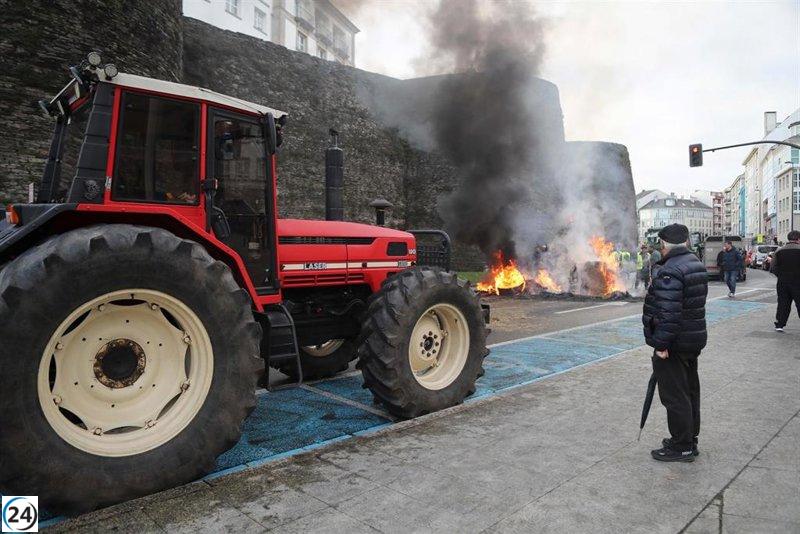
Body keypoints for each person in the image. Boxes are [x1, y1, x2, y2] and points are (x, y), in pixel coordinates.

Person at [642, 223, 708, 462]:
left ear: (663, 244)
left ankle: (682, 447)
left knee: (675, 396)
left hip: (674, 344)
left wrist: (661, 345)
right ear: (686, 242)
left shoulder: (670, 270)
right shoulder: (695, 263)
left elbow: (668, 314)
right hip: (692, 339)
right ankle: (689, 439)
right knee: (689, 392)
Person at [771, 230, 800, 332]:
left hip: (783, 282)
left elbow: (773, 267)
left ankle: (780, 324)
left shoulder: (779, 251)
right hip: (798, 282)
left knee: (783, 303)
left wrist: (780, 275)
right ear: (798, 239)